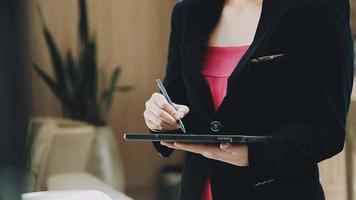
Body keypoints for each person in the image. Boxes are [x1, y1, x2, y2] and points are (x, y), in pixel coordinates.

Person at [143, 0, 354, 199]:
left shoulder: (317, 6)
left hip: (279, 192)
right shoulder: (187, 11)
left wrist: (256, 156)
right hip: (197, 190)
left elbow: (328, 128)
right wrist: (161, 117)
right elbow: (176, 99)